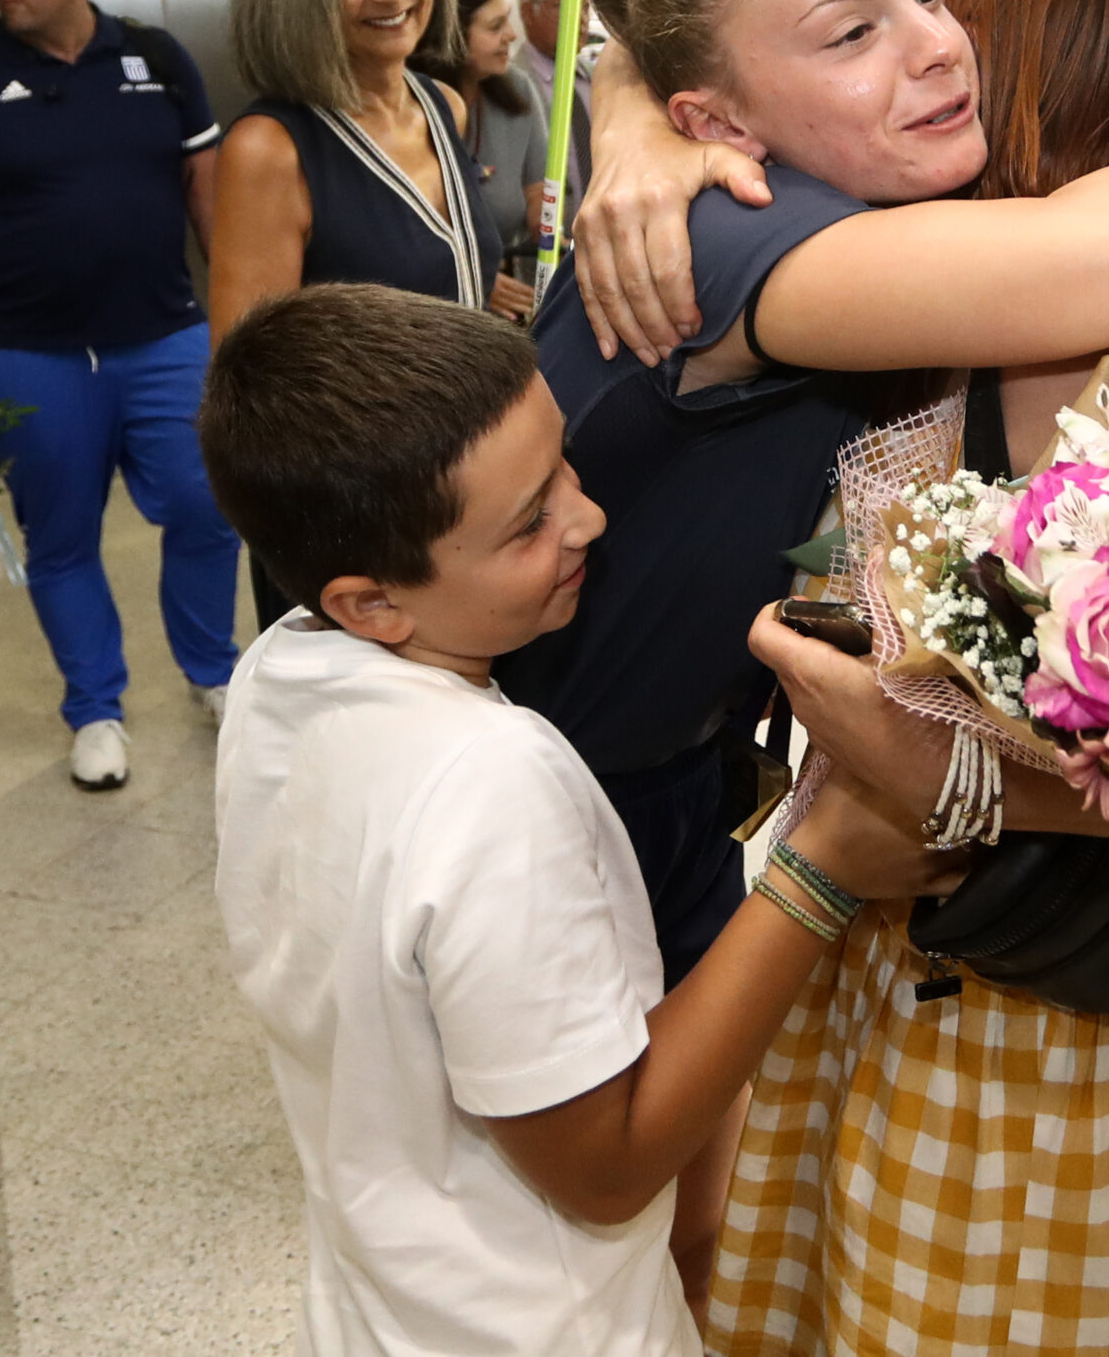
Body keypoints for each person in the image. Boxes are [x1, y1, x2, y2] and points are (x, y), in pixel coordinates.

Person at [549, 0, 1109, 1353]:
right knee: (572, 1261)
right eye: (852, 32)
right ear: (723, 120)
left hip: (677, 795)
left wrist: (625, 97)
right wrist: (633, 102)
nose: (939, 47)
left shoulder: (780, 211)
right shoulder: (748, 235)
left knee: (691, 1250)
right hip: (565, 812)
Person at [201, 282, 955, 1357]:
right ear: (372, 601)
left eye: (563, 464)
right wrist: (822, 867)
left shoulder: (281, 673)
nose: (588, 515)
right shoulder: (491, 780)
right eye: (527, 524)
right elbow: (605, 1168)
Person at [0, 0, 238, 792]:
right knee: (62, 537)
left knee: (209, 505)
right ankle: (95, 709)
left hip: (168, 337)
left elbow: (210, 197)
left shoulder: (156, 59)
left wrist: (242, 327)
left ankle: (213, 673)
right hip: (32, 355)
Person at [207, 0, 507, 632]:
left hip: (477, 491)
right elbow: (251, 397)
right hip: (362, 529)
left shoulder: (445, 106)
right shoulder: (272, 148)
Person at [413, 0, 543, 319]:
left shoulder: (517, 93)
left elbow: (539, 195)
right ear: (451, 32)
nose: (512, 36)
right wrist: (473, 275)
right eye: (495, 26)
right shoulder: (411, 111)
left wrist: (549, 234)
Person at [513, 0, 592, 233]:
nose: (580, 19)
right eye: (564, 5)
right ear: (527, 13)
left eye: (584, 7)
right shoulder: (510, 88)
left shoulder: (596, 81)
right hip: (542, 254)